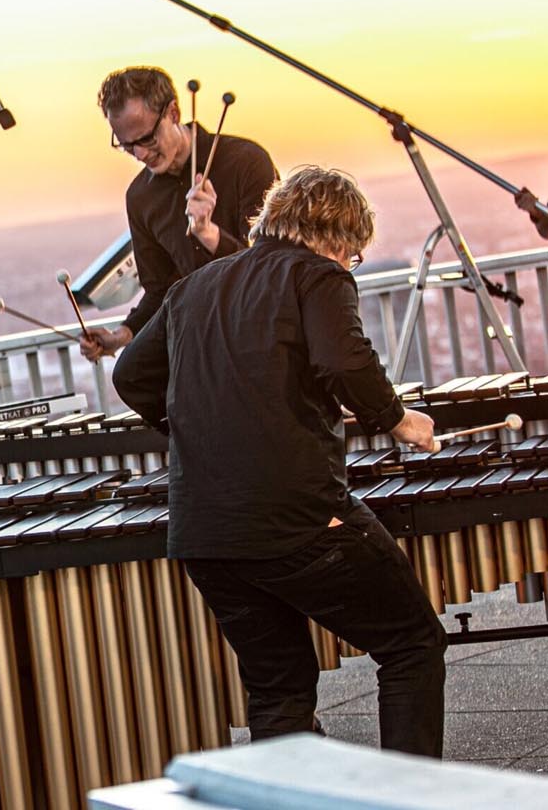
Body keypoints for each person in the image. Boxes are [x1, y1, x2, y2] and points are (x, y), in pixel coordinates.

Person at [112, 167, 447, 756]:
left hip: (206, 534)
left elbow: (131, 376)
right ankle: (409, 798)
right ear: (334, 236)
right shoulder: (317, 273)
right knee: (412, 645)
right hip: (297, 523)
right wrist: (398, 420)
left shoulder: (195, 286)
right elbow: (345, 364)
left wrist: (201, 427)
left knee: (279, 691)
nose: (350, 264)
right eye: (353, 254)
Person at [80, 66, 279, 361]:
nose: (140, 155)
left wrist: (209, 234)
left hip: (263, 325)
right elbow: (160, 289)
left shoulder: (246, 161)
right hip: (201, 334)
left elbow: (273, 270)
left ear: (173, 113)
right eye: (126, 145)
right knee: (130, 374)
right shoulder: (140, 196)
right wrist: (121, 335)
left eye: (147, 139)